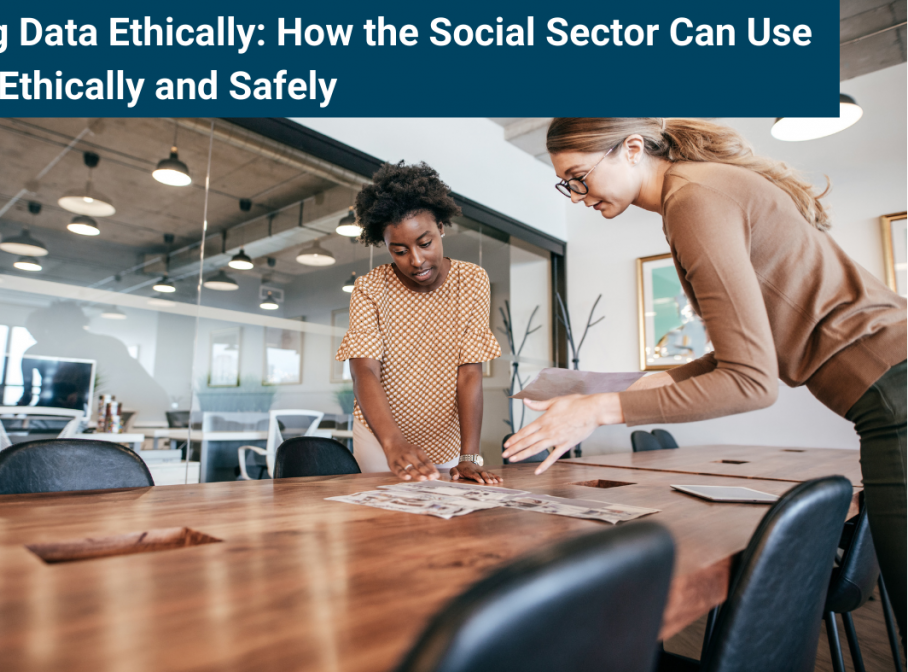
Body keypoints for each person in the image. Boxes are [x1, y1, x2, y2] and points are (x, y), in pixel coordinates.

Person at [503, 117, 907, 639]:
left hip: (894, 393)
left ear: (631, 149)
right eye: (566, 184)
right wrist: (638, 386)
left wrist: (598, 411)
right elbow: (751, 356)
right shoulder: (698, 189)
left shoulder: (694, 200)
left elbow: (751, 382)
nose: (576, 194)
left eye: (579, 176)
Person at [336, 161, 504, 485]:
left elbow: (469, 372)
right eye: (399, 251)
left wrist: (469, 456)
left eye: (424, 243)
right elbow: (364, 370)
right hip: (381, 440)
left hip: (448, 443)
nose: (415, 260)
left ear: (441, 227)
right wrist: (392, 442)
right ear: (385, 246)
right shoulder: (370, 288)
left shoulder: (471, 280)